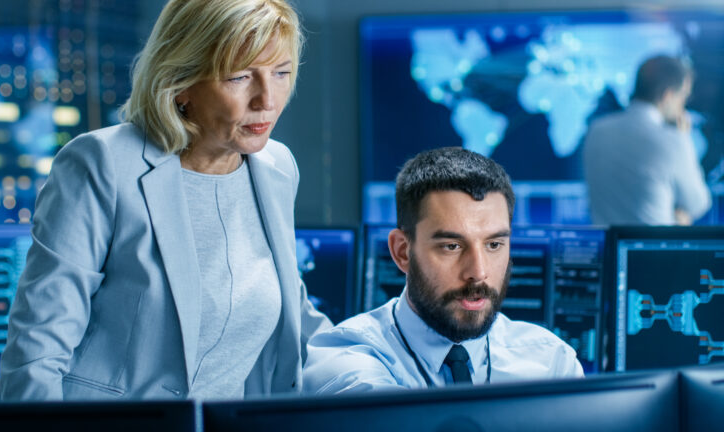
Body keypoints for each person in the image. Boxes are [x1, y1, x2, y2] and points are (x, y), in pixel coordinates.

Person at [0, 0, 330, 401]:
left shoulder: (277, 167)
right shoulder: (102, 164)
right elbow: (37, 352)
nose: (267, 100)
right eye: (239, 77)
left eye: (281, 73)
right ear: (181, 83)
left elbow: (298, 322)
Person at [303, 148, 582, 394]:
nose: (478, 272)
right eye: (451, 246)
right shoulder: (347, 357)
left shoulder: (551, 363)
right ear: (402, 251)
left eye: (494, 244)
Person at [583, 55, 711, 226]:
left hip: (605, 249)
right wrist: (683, 138)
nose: (683, 106)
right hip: (653, 250)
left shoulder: (596, 131)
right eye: (683, 97)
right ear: (668, 95)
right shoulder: (672, 140)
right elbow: (697, 204)